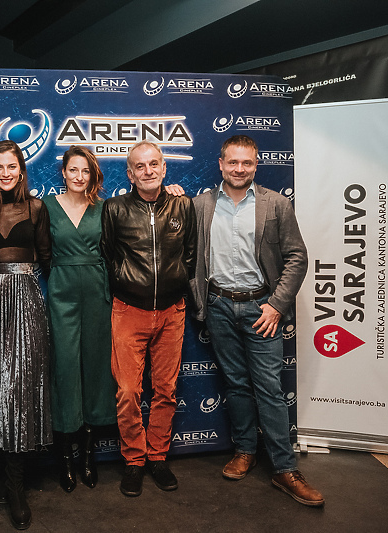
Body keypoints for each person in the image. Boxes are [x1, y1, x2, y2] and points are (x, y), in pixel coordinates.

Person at [190, 134, 323, 506]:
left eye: (246, 163)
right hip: (218, 307)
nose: (239, 169)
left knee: (268, 387)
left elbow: (297, 257)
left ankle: (284, 468)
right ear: (220, 164)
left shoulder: (276, 204)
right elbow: (190, 257)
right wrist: (202, 300)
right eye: (232, 162)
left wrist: (277, 305)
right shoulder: (201, 205)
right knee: (236, 384)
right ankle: (246, 450)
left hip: (261, 310)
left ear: (256, 164)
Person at [100, 140, 197, 497]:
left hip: (172, 312)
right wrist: (127, 282)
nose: (148, 171)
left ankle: (157, 456)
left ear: (164, 167)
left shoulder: (182, 205)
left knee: (166, 390)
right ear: (130, 173)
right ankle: (134, 460)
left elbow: (191, 255)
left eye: (154, 163)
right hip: (129, 311)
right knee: (127, 391)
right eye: (140, 166)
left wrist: (174, 286)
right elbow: (108, 254)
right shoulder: (115, 208)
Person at [0, 140, 51, 530]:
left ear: (21, 169)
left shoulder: (36, 208)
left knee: (19, 386)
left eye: (12, 166)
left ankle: (16, 486)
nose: (6, 172)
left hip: (26, 302)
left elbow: (48, 260)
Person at [41, 146, 115, 492]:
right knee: (65, 369)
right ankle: (65, 459)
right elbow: (41, 252)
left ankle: (88, 456)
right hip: (61, 294)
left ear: (92, 175)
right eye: (73, 170)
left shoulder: (104, 209)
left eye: (85, 171)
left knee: (95, 371)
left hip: (98, 296)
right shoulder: (47, 207)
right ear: (64, 172)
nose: (79, 176)